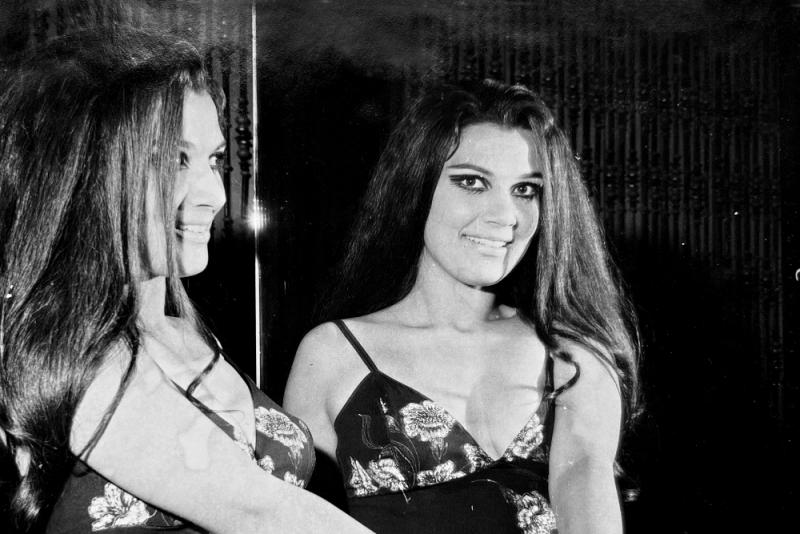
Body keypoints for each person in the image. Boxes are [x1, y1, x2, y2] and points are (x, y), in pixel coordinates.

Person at [0, 28, 372, 534]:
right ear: (84, 171)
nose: (214, 194)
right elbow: (261, 511)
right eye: (173, 160)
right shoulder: (65, 351)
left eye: (214, 159)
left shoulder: (189, 335)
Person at [285, 80, 640, 534]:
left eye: (526, 190)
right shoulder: (333, 353)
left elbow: (584, 491)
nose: (505, 216)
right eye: (472, 183)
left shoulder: (572, 353)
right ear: (416, 185)